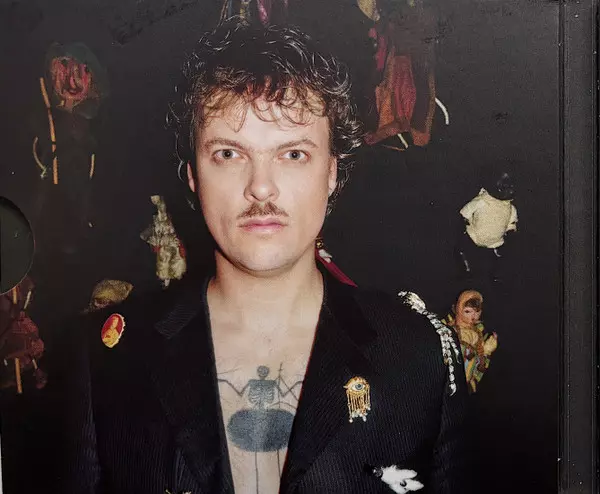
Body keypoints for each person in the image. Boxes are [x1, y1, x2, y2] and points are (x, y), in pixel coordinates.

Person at [53, 20, 473, 494]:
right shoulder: (108, 361)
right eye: (228, 154)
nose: (261, 187)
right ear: (192, 176)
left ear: (331, 172)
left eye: (293, 154)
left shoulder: (419, 354)